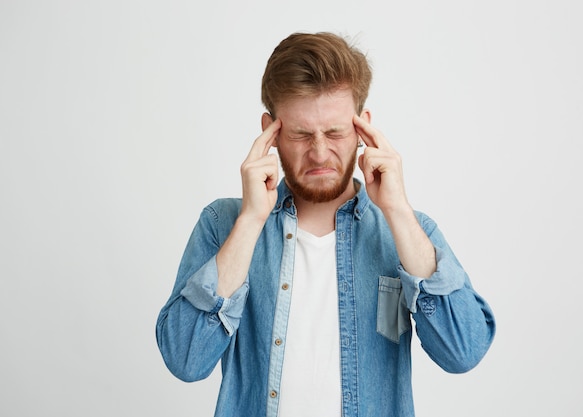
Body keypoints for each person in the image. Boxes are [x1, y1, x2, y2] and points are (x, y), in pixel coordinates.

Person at [156, 31, 495, 417]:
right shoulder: (223, 224)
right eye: (300, 134)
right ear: (271, 132)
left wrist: (397, 210)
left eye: (335, 132)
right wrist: (252, 219)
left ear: (363, 129)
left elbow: (464, 352)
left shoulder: (408, 230)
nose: (319, 152)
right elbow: (184, 359)